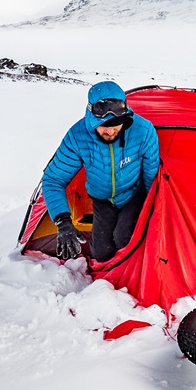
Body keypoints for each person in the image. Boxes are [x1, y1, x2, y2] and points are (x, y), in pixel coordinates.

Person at [41, 81, 160, 262]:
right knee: (101, 254)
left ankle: (124, 286)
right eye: (105, 125)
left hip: (133, 195)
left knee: (125, 239)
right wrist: (63, 221)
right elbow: (53, 179)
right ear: (92, 117)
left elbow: (152, 176)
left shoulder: (143, 131)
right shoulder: (77, 136)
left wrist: (153, 209)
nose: (111, 131)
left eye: (117, 124)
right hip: (102, 200)